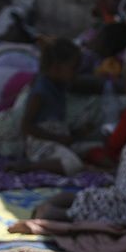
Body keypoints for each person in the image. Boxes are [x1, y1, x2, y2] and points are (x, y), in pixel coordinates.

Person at [19, 38, 88, 176]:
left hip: (58, 139)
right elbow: (26, 126)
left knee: (91, 148)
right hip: (41, 143)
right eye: (73, 68)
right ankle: (29, 167)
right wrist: (58, 139)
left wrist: (76, 133)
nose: (76, 74)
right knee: (72, 164)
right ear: (56, 67)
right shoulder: (40, 91)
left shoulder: (59, 86)